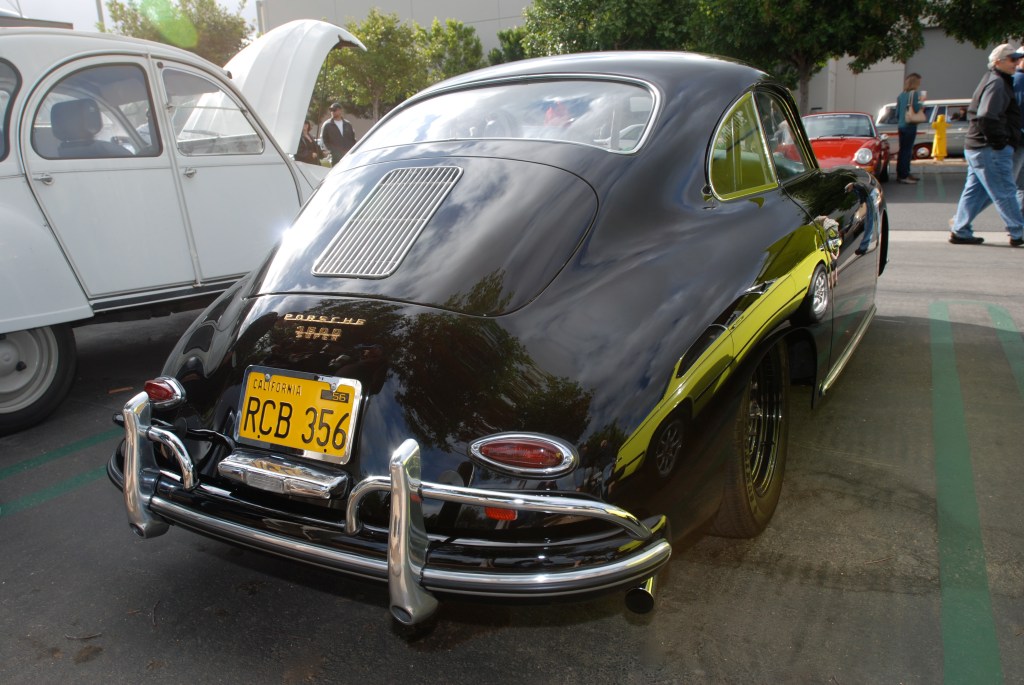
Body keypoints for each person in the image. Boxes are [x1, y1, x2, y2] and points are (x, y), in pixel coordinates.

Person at [949, 44, 1024, 247]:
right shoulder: (998, 83)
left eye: (1017, 59)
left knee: (975, 191)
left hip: (978, 147)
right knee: (1005, 190)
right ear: (998, 62)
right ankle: (1018, 232)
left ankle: (960, 229)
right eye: (1012, 59)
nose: (1016, 62)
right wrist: (1000, 142)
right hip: (988, 148)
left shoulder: (996, 80)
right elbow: (986, 116)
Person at [895, 73, 925, 184]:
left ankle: (902, 173)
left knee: (902, 150)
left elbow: (897, 113)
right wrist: (922, 102)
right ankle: (904, 175)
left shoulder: (901, 95)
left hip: (901, 125)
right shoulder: (915, 94)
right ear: (915, 82)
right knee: (907, 151)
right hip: (910, 125)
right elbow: (917, 108)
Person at [321, 102, 356, 167]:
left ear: (340, 110)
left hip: (348, 155)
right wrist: (332, 151)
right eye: (331, 110)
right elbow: (324, 140)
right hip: (335, 158)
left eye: (334, 110)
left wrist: (352, 150)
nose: (332, 112)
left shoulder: (348, 124)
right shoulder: (327, 125)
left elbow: (353, 139)